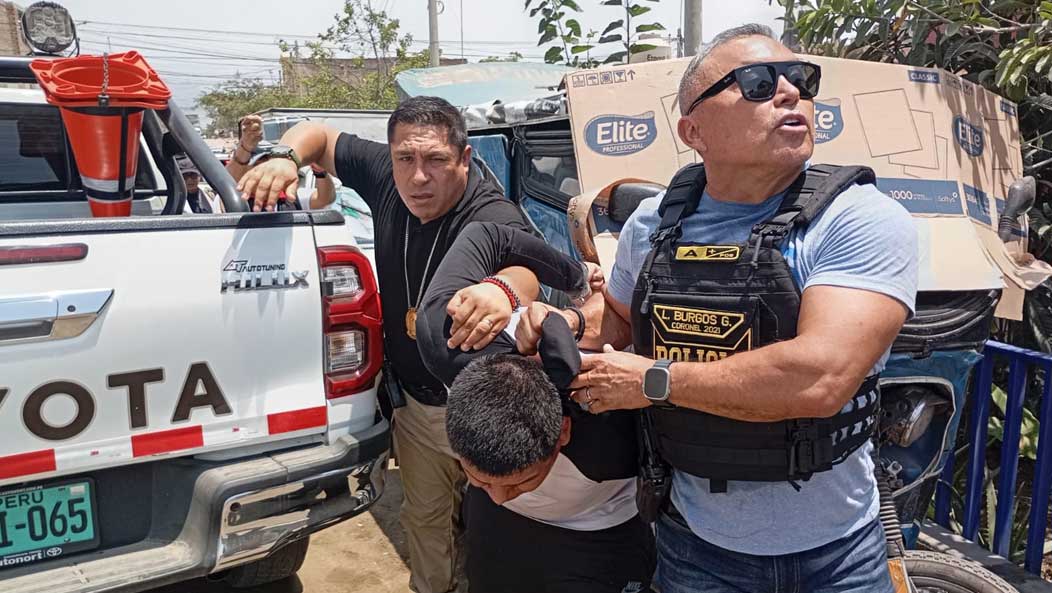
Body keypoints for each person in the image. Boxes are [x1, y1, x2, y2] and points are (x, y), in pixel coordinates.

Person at [515, 24, 919, 593]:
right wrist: (569, 322)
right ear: (693, 130)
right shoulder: (653, 224)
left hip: (835, 559)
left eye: (800, 79)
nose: (789, 93)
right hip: (694, 547)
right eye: (757, 83)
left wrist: (653, 381)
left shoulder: (858, 219)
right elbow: (623, 319)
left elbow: (820, 378)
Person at [236, 97, 531, 593]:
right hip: (416, 405)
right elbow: (318, 135)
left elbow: (526, 267)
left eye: (436, 160)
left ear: (464, 158)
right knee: (426, 521)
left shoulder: (490, 211)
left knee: (501, 528)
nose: (418, 177)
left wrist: (502, 290)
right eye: (405, 159)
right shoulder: (385, 175)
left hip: (486, 405)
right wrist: (285, 157)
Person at [414, 221, 654, 593]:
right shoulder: (449, 339)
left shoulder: (612, 429)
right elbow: (489, 236)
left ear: (563, 432)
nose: (499, 496)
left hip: (597, 536)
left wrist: (587, 305)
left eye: (521, 481)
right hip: (496, 532)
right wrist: (513, 286)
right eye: (477, 478)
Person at [226, 114, 335, 210]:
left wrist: (319, 170)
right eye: (260, 161)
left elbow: (325, 199)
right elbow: (229, 179)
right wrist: (245, 147)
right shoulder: (231, 199)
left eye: (272, 161)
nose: (268, 169)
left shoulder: (291, 196)